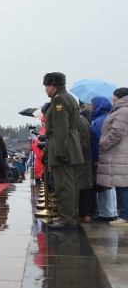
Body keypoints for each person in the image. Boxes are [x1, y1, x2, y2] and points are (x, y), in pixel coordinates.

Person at [43, 72, 83, 230]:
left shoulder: (59, 100)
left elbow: (60, 128)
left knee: (63, 185)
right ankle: (70, 215)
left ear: (52, 86)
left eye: (46, 87)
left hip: (63, 147)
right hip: (71, 146)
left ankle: (67, 219)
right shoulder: (69, 97)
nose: (46, 90)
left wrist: (60, 152)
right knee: (71, 184)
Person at [97, 87, 128, 227]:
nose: (112, 98)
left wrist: (103, 143)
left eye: (114, 96)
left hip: (120, 154)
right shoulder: (121, 110)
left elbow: (117, 132)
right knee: (122, 185)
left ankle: (126, 216)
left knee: (123, 186)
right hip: (120, 153)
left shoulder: (123, 111)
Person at [90, 96, 117, 221]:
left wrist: (96, 158)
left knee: (103, 186)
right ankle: (111, 210)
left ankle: (106, 213)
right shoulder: (108, 118)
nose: (90, 108)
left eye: (92, 105)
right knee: (110, 185)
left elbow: (97, 142)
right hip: (109, 156)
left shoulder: (99, 121)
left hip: (101, 157)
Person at [76, 107, 95, 222]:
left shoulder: (77, 121)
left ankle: (83, 213)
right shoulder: (83, 120)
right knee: (85, 185)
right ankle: (85, 213)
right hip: (85, 158)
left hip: (80, 158)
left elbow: (81, 141)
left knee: (82, 186)